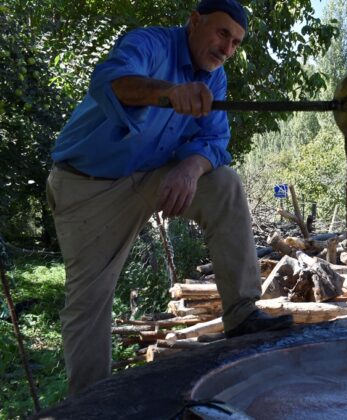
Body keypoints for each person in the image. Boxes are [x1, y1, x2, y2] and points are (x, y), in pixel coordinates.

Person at [46, 0, 293, 396]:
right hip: (86, 186)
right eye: (221, 33)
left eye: (236, 42)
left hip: (149, 177)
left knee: (223, 183)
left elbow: (213, 141)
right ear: (194, 21)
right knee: (89, 301)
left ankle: (242, 313)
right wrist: (167, 92)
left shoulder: (215, 79)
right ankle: (90, 403)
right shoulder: (150, 44)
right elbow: (110, 81)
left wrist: (189, 168)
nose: (227, 48)